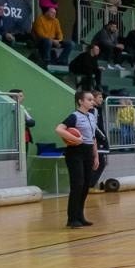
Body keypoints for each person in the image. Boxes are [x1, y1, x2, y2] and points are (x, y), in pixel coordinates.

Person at [57, 88, 98, 228]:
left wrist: (96, 156)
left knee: (86, 185)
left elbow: (93, 138)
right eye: (89, 99)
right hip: (75, 152)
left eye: (92, 99)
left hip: (88, 152)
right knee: (77, 185)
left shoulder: (92, 116)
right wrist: (75, 138)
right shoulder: (74, 116)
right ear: (80, 101)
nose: (92, 102)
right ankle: (72, 219)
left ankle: (80, 216)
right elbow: (59, 129)